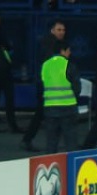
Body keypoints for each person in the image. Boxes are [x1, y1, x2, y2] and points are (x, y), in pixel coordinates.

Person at [22, 19, 67, 152]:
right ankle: (28, 140)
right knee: (43, 114)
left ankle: (30, 140)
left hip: (54, 86)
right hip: (48, 86)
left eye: (63, 30)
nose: (62, 32)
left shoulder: (60, 43)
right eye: (59, 30)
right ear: (52, 30)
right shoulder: (49, 44)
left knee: (48, 114)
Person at [40, 40, 80, 154]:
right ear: (63, 51)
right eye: (69, 51)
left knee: (51, 143)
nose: (70, 53)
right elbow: (77, 88)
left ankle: (51, 167)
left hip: (50, 108)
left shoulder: (45, 65)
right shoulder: (69, 65)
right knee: (71, 142)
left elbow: (43, 83)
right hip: (68, 108)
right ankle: (73, 169)